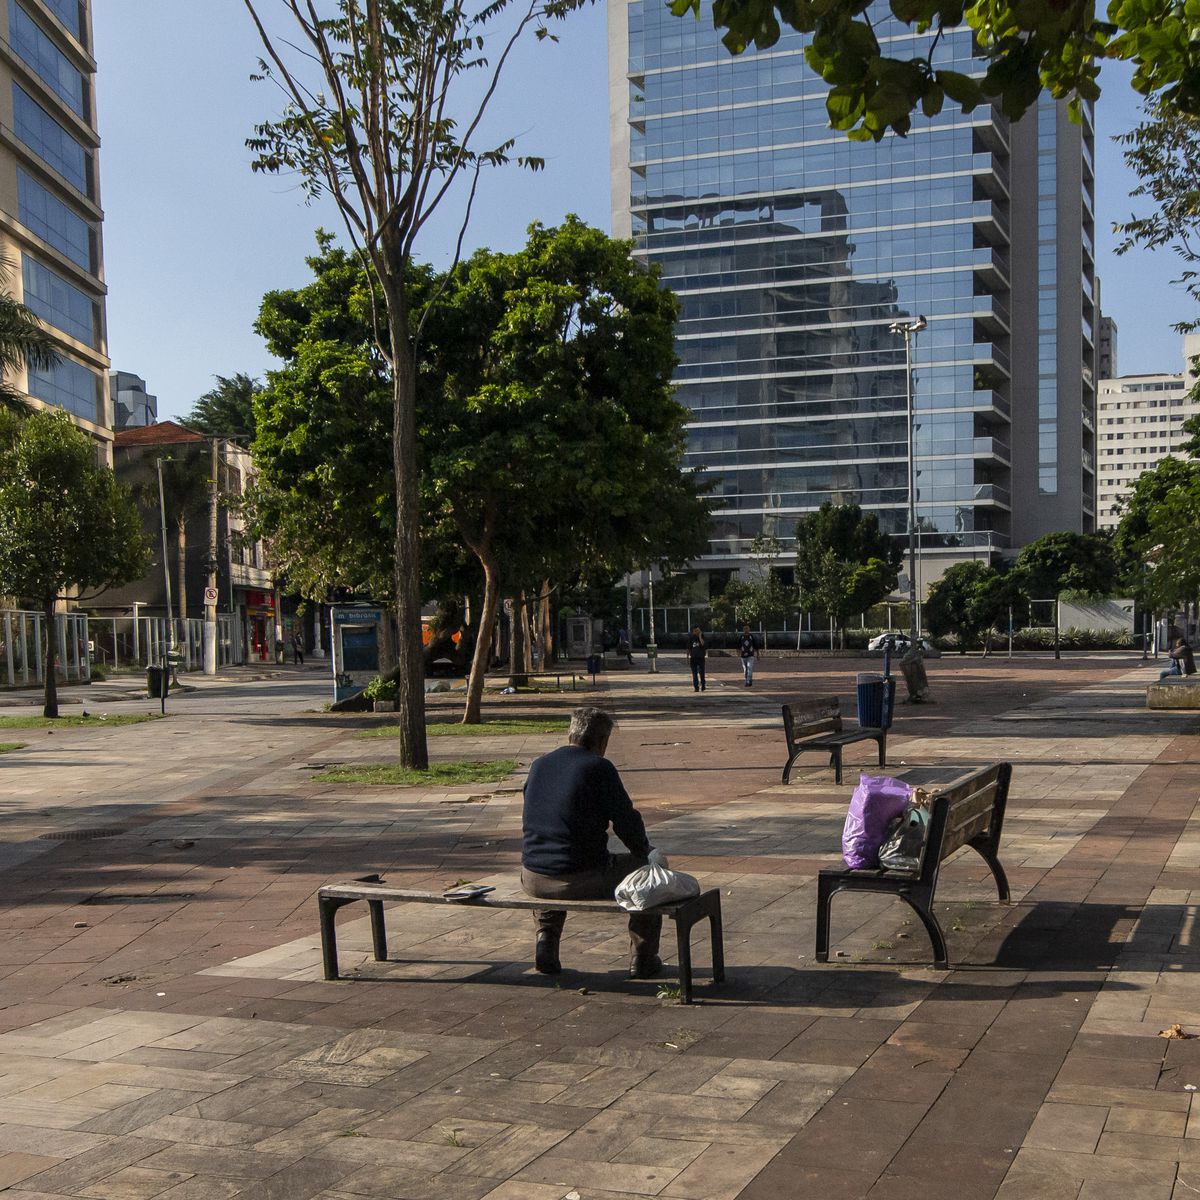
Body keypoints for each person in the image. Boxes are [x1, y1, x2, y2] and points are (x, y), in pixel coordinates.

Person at [521, 707, 662, 978]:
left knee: (555, 858)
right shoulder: (598, 767)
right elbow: (626, 821)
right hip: (581, 876)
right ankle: (644, 957)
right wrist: (644, 853)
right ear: (602, 741)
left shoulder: (539, 764)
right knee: (647, 876)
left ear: (571, 733)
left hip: (533, 875)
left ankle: (546, 941)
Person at [738, 622, 758, 687]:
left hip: (750, 655)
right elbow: (738, 646)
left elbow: (755, 646)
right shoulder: (741, 637)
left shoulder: (751, 637)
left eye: (747, 628)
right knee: (745, 669)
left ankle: (748, 681)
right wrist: (738, 654)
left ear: (749, 629)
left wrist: (757, 654)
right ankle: (748, 679)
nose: (746, 630)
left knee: (750, 667)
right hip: (743, 656)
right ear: (743, 630)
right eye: (745, 628)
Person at [687, 625, 706, 692]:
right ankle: (696, 687)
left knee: (702, 673)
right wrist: (687, 657)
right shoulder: (691, 638)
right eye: (696, 631)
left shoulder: (702, 636)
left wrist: (700, 636)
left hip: (701, 658)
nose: (698, 632)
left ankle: (703, 685)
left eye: (699, 630)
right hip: (693, 658)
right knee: (694, 674)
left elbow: (703, 644)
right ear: (693, 631)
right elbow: (689, 648)